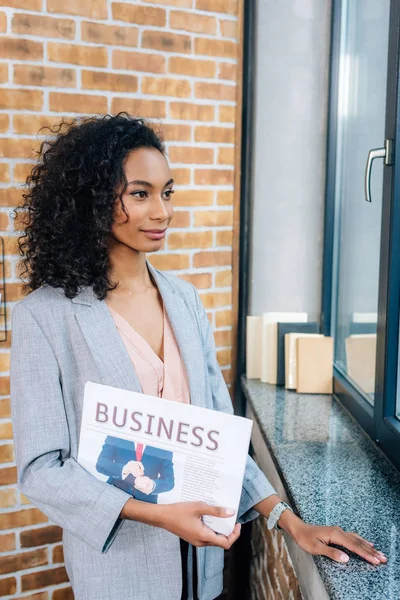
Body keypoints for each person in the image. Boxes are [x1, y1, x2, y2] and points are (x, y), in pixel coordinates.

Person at [10, 113, 387, 600]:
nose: (162, 211)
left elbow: (217, 436)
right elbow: (41, 469)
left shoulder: (184, 300)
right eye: (140, 193)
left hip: (201, 565)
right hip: (119, 571)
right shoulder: (45, 316)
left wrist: (289, 522)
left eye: (167, 192)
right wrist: (156, 513)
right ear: (93, 200)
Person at [96, 436, 175, 502]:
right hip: (112, 495)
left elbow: (169, 481)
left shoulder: (165, 442)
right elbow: (101, 463)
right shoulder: (117, 432)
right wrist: (124, 469)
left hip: (145, 504)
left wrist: (152, 485)